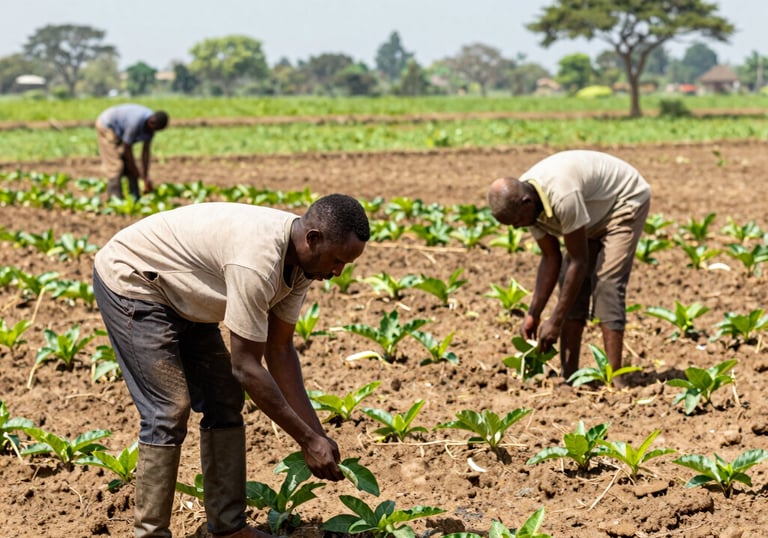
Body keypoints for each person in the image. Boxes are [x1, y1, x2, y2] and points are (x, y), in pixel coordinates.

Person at [92, 195, 370, 538]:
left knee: (224, 398)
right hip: (135, 280)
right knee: (168, 408)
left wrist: (316, 435)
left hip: (185, 293)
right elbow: (246, 367)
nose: (338, 272)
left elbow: (279, 350)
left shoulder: (302, 264)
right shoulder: (259, 262)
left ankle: (228, 527)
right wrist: (306, 439)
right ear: (313, 238)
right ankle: (150, 533)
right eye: (338, 260)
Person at [487, 150, 651, 385]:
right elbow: (550, 257)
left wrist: (555, 320)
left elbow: (579, 260)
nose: (518, 228)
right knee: (569, 280)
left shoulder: (561, 194)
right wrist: (534, 312)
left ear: (527, 203)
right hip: (591, 210)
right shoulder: (525, 203)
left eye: (517, 222)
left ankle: (616, 379)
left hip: (622, 201)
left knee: (607, 283)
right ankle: (569, 376)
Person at [96, 103, 169, 199]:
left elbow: (145, 152)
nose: (153, 132)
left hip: (120, 131)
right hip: (107, 125)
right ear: (151, 122)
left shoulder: (151, 128)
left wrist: (145, 176)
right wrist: (135, 170)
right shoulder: (135, 123)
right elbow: (127, 148)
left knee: (129, 165)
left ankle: (135, 197)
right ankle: (115, 199)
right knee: (115, 166)